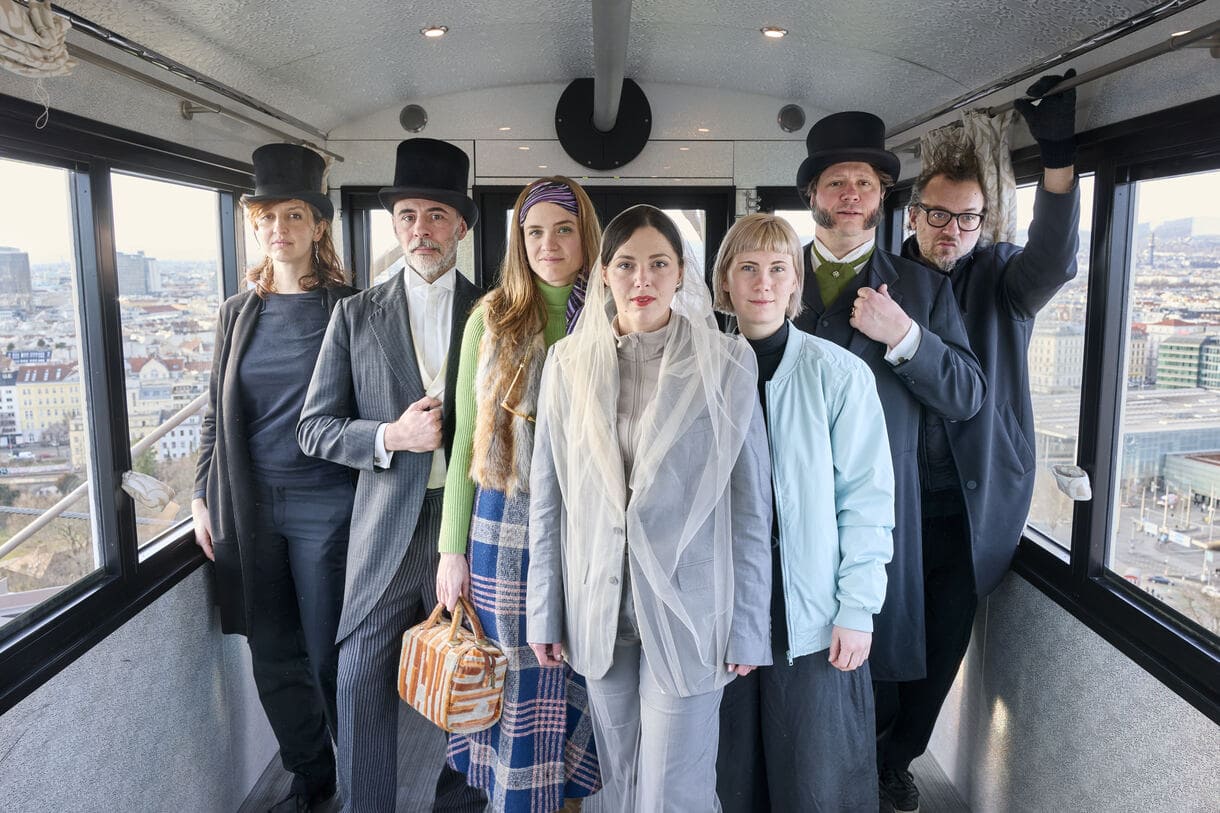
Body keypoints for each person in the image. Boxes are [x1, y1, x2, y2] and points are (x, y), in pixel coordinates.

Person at [876, 72, 1081, 812]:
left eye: (967, 219)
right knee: (881, 641)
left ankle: (896, 761)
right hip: (893, 501)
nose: (951, 231)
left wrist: (1057, 157)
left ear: (982, 221)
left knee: (939, 650)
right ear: (914, 211)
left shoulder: (1001, 281)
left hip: (972, 506)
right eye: (938, 214)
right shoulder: (883, 281)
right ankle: (862, 752)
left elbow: (1056, 258)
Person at [526, 205, 773, 813]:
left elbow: (749, 506)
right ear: (605, 274)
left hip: (692, 612)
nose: (643, 280)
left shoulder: (728, 362)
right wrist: (543, 613)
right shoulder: (565, 366)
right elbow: (548, 499)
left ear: (681, 273)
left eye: (658, 264)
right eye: (627, 265)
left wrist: (748, 624)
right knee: (619, 777)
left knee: (673, 791)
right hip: (599, 607)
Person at [297, 138, 486, 813]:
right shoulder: (354, 315)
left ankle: (458, 805)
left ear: (460, 225)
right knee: (357, 681)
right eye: (407, 215)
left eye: (435, 216)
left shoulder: (494, 310)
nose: (419, 230)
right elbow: (313, 428)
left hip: (472, 526)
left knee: (475, 680)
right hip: (386, 532)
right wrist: (389, 435)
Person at [789, 113, 985, 692]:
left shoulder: (924, 291)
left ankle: (877, 774)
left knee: (873, 668)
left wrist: (905, 337)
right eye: (835, 183)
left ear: (882, 196)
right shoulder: (771, 275)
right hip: (786, 502)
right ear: (812, 194)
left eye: (865, 184)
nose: (851, 195)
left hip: (880, 510)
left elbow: (967, 395)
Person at [191, 143, 358, 812]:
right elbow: (214, 411)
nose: (280, 230)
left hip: (330, 506)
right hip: (252, 507)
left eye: (295, 215)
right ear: (254, 227)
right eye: (268, 218)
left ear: (318, 226)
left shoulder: (352, 308)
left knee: (330, 656)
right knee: (273, 655)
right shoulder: (238, 313)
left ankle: (367, 771)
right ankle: (311, 773)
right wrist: (202, 493)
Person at [712, 213, 896, 813]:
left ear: (796, 283)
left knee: (816, 787)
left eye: (778, 269)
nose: (762, 283)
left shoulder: (839, 374)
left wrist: (858, 608)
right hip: (726, 614)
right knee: (731, 780)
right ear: (725, 282)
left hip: (815, 616)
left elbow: (866, 502)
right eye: (747, 268)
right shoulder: (700, 371)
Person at [436, 177, 602, 811]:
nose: (549, 243)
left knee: (578, 680)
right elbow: (465, 448)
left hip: (592, 527)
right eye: (534, 231)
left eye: (563, 228)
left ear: (586, 232)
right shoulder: (491, 317)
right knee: (515, 689)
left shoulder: (615, 311)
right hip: (504, 528)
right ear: (518, 239)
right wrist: (452, 552)